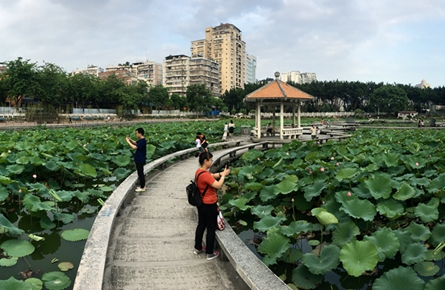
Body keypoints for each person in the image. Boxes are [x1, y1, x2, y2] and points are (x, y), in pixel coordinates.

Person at [194, 152, 230, 260]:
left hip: (201, 204)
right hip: (209, 204)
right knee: (210, 228)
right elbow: (218, 185)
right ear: (205, 161)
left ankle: (198, 247)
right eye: (210, 160)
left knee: (201, 225)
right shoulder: (205, 175)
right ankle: (210, 252)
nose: (211, 162)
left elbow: (212, 176)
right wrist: (223, 176)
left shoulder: (199, 172)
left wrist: (221, 173)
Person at [126, 128, 147, 192]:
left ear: (140, 133)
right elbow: (136, 143)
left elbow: (135, 147)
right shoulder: (141, 140)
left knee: (140, 173)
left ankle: (142, 187)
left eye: (137, 133)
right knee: (140, 172)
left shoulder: (142, 141)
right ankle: (142, 186)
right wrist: (130, 140)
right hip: (139, 158)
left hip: (140, 159)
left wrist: (128, 142)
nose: (136, 134)